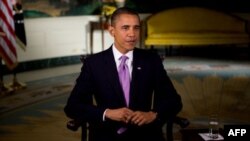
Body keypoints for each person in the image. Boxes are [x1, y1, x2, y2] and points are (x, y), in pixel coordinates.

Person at [64, 7, 182, 141]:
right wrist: (107, 113)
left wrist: (153, 114)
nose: (132, 34)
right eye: (125, 28)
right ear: (112, 31)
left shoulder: (151, 60)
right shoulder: (94, 64)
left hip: (144, 135)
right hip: (107, 135)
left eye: (136, 28)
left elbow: (174, 101)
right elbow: (72, 106)